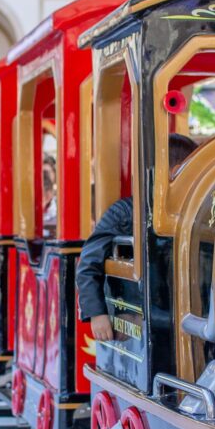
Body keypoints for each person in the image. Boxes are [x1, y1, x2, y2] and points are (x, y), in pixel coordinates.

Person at [76, 134, 197, 341]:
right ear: (176, 172)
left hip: (180, 309)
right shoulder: (124, 212)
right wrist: (97, 313)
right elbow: (88, 263)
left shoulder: (194, 213)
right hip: (140, 312)